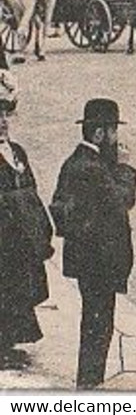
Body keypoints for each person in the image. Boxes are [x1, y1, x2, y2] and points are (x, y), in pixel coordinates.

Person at [50, 98, 136, 390]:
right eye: (113, 131)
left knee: (96, 326)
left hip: (90, 262)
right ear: (99, 134)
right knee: (98, 329)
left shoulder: (79, 162)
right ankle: (89, 388)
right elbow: (123, 200)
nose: (117, 139)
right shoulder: (93, 169)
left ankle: (89, 384)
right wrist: (125, 167)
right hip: (98, 263)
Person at [0, 71, 54, 369]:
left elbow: (30, 190)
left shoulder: (17, 151)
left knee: (19, 285)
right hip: (3, 233)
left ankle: (10, 339)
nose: (3, 123)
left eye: (6, 116)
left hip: (19, 234)